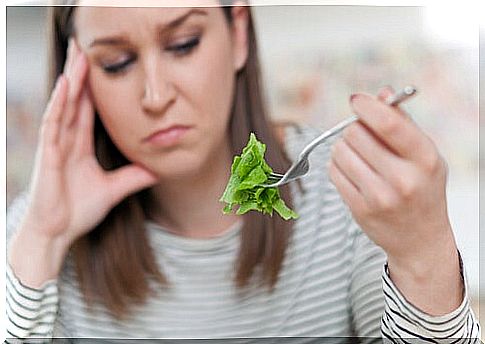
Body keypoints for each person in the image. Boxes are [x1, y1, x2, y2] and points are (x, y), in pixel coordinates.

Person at [5, 1, 481, 342]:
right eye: (117, 62)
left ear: (237, 34)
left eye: (184, 44)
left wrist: (425, 255)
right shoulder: (38, 233)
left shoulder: (350, 196)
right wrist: (43, 239)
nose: (155, 96)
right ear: (77, 71)